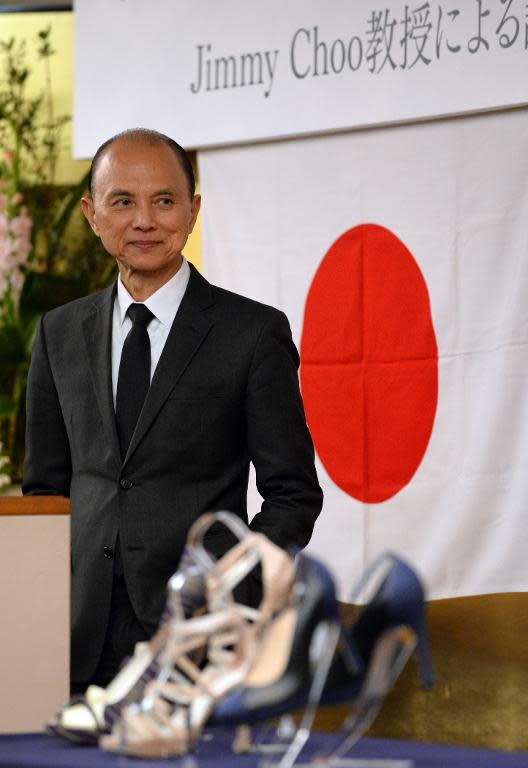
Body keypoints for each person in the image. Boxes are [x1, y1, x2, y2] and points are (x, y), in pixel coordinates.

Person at [22, 128, 322, 692]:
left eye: (164, 200)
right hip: (76, 642)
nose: (145, 221)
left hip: (200, 642)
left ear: (193, 210)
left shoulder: (252, 334)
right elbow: (46, 493)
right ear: (91, 213)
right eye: (123, 201)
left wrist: (229, 591)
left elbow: (294, 495)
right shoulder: (58, 333)